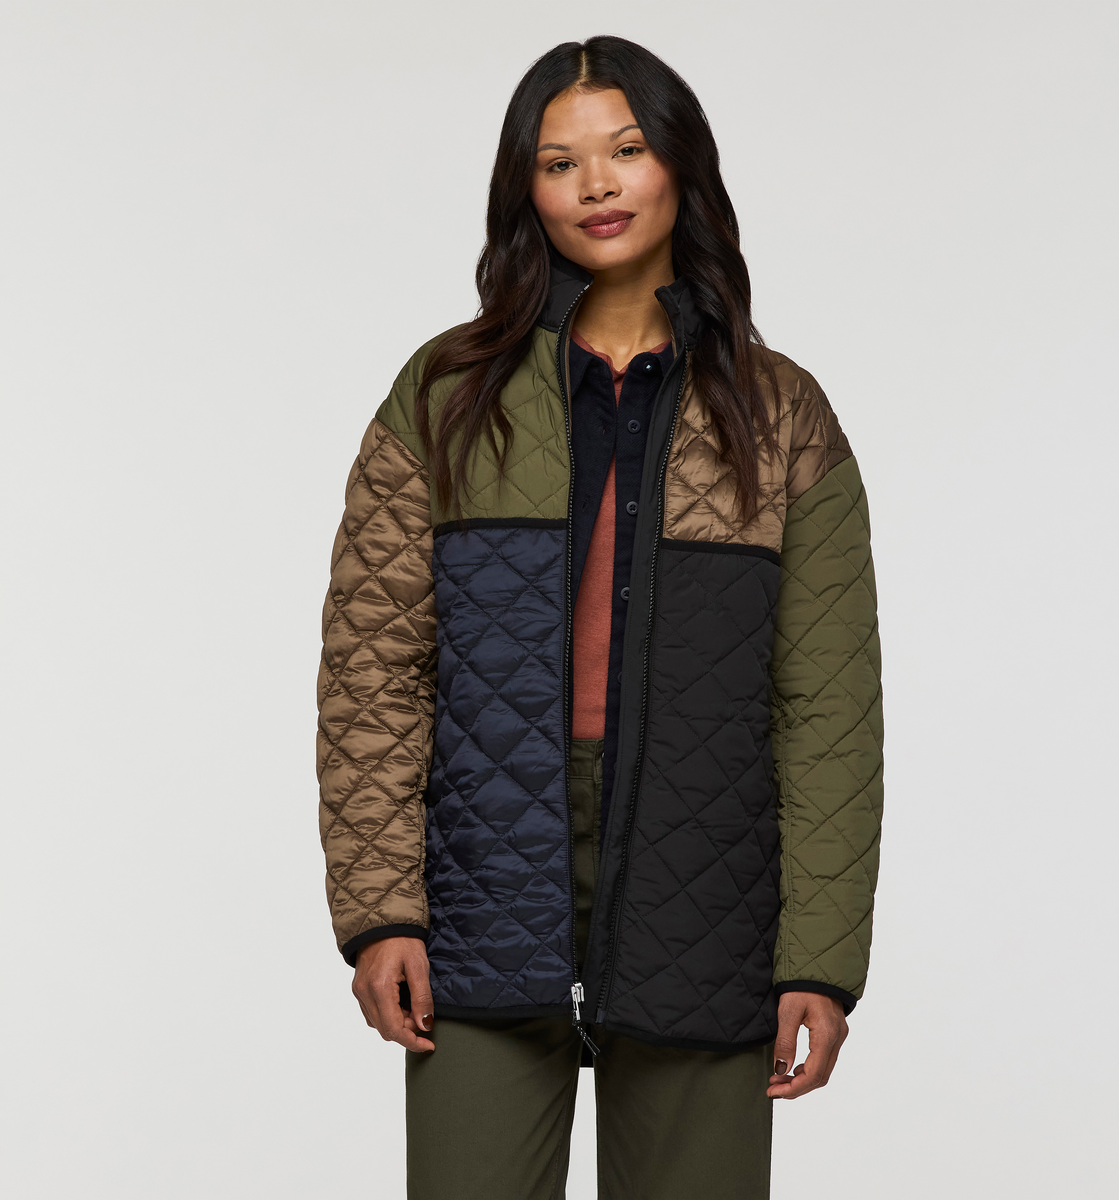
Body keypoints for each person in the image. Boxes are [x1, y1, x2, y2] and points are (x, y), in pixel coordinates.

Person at [317, 35, 883, 1200]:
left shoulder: (783, 417)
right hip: (482, 884)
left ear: (680, 164)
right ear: (524, 189)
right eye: (559, 161)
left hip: (706, 892)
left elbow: (828, 710)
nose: (596, 185)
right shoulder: (443, 396)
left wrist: (820, 960)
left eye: (625, 150)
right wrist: (381, 912)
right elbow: (374, 670)